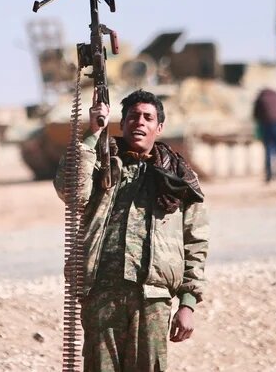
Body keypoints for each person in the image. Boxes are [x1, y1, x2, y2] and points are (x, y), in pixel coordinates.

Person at [55, 89, 209, 371]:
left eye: (148, 117)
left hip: (153, 299)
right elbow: (70, 192)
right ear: (123, 123)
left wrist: (187, 303)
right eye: (133, 116)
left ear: (159, 127)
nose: (140, 122)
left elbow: (195, 243)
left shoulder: (179, 177)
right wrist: (93, 133)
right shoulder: (100, 164)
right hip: (102, 293)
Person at [253, 88, 276, 182]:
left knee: (268, 150)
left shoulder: (261, 99)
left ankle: (269, 175)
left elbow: (256, 115)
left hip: (267, 126)